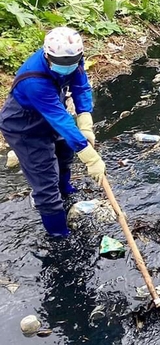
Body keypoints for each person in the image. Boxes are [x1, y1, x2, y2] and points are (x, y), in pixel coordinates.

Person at [0, 27, 107, 238]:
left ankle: (65, 191)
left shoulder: (74, 59)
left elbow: (81, 86)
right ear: (47, 55)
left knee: (65, 152)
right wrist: (90, 157)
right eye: (62, 64)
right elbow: (59, 119)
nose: (67, 67)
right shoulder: (34, 79)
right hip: (24, 126)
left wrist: (85, 120)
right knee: (45, 183)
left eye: (72, 62)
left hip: (51, 111)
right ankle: (60, 236)